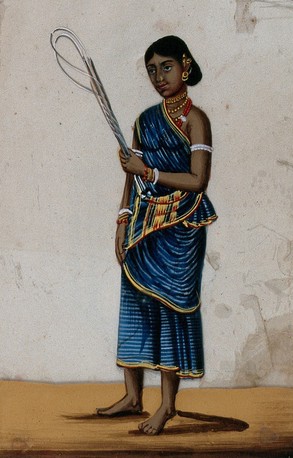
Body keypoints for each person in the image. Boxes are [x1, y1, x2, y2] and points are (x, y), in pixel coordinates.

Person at [96, 35, 217, 435]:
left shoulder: (195, 119)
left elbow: (198, 180)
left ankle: (167, 405)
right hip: (143, 225)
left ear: (184, 65)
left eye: (166, 66)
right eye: (151, 69)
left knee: (172, 312)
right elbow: (131, 178)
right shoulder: (142, 120)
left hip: (181, 227)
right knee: (134, 305)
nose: (158, 76)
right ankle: (133, 397)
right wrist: (122, 217)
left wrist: (147, 172)